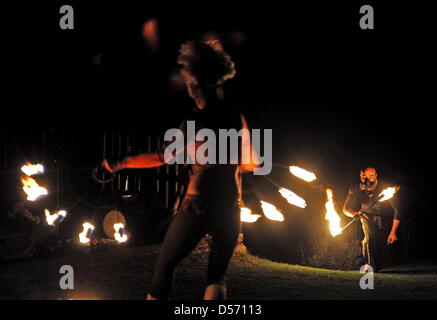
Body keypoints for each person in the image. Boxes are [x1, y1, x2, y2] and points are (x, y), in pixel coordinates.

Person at [102, 35, 259, 299]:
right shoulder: (235, 117)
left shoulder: (194, 121)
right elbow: (252, 162)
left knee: (164, 269)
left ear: (195, 85)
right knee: (217, 277)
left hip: (197, 207)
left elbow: (161, 157)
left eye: (188, 81)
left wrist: (117, 164)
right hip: (231, 206)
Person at [343, 167, 401, 272]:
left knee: (379, 243)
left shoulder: (385, 187)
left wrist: (393, 232)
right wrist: (354, 214)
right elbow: (345, 209)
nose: (368, 179)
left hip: (384, 217)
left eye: (371, 176)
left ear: (376, 176)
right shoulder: (355, 188)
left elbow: (398, 209)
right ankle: (369, 266)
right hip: (365, 215)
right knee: (370, 236)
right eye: (365, 176)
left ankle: (372, 259)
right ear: (361, 175)